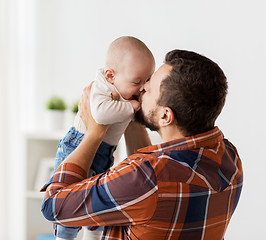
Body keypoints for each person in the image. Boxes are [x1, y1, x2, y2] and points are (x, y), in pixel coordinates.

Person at [41, 49, 243, 240]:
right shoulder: (229, 157)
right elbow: (145, 186)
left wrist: (94, 133)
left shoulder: (147, 177)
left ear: (165, 115)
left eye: (149, 88)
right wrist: (131, 116)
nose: (142, 87)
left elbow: (54, 207)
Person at [43, 36, 155, 240]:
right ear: (111, 75)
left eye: (147, 81)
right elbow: (101, 115)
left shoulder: (124, 89)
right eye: (137, 82)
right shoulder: (102, 87)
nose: (142, 88)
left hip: (105, 152)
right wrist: (132, 107)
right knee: (69, 202)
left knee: (95, 207)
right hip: (78, 145)